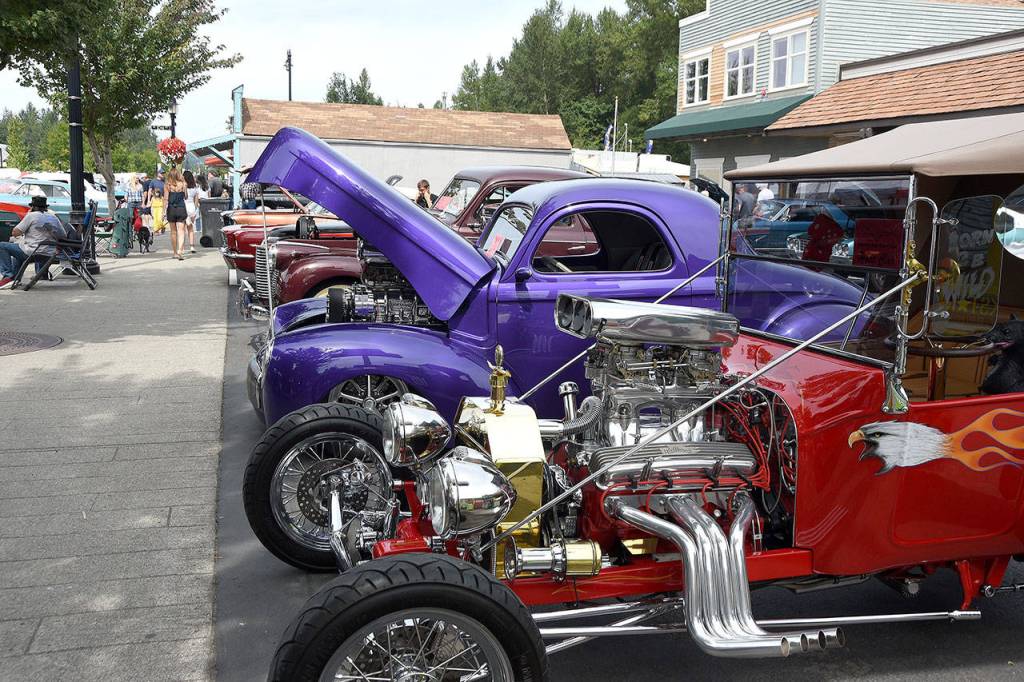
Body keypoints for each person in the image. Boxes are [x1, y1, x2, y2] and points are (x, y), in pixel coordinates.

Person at [0, 195, 69, 288]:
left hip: (34, 252)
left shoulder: (31, 215)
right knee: (19, 249)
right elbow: (63, 236)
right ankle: (15, 279)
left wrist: (27, 217)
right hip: (49, 253)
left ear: (33, 207)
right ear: (45, 207)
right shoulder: (53, 217)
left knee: (2, 246)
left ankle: (8, 275)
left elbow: (15, 233)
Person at [164, 167, 189, 260]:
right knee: (181, 231)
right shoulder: (183, 184)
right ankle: (180, 251)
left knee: (173, 232)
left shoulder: (168, 185)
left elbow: (166, 199)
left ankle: (175, 252)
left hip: (171, 209)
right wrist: (184, 186)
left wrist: (163, 211)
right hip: (181, 208)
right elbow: (186, 197)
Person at [183, 170, 199, 254]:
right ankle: (192, 246)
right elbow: (196, 201)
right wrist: (195, 210)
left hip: (184, 208)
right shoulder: (195, 188)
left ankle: (181, 246)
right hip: (192, 207)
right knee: (191, 229)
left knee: (182, 228)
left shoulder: (182, 187)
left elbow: (183, 198)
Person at [149, 168, 167, 237]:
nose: (163, 175)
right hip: (154, 202)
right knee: (155, 218)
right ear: (158, 174)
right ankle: (156, 230)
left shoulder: (164, 182)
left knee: (160, 218)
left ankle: (162, 227)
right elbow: (150, 190)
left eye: (163, 173)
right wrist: (148, 200)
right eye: (161, 173)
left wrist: (166, 201)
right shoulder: (153, 181)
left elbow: (166, 192)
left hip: (161, 201)